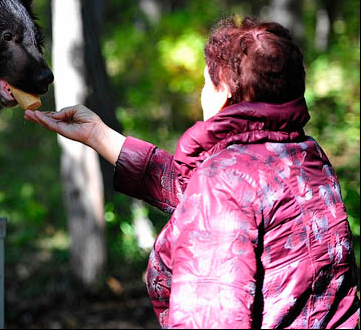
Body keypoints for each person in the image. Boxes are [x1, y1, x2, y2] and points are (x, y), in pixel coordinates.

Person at [25, 17, 359, 329]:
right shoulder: (305, 156)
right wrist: (98, 134)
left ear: (224, 91)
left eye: (205, 83)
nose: (201, 94)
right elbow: (213, 197)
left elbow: (210, 317)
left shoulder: (223, 182)